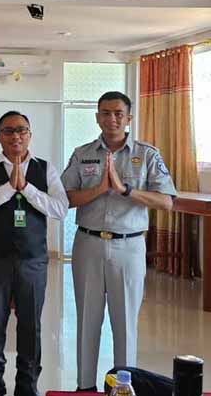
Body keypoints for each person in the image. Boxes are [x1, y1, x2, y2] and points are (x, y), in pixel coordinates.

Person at [61, 91, 176, 391]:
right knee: (87, 319)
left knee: (125, 322)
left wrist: (125, 190)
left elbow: (166, 201)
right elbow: (64, 197)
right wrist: (99, 189)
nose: (111, 119)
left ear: (129, 118)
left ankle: (123, 387)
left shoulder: (147, 154)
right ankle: (85, 386)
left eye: (118, 113)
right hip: (88, 243)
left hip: (129, 245)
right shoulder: (82, 153)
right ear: (97, 117)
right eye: (105, 113)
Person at [0, 111, 69, 396]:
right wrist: (9, 188)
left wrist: (26, 188)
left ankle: (27, 383)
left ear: (30, 135)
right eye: (9, 131)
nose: (16, 136)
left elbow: (60, 209)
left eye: (22, 130)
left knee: (31, 323)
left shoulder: (45, 169)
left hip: (33, 259)